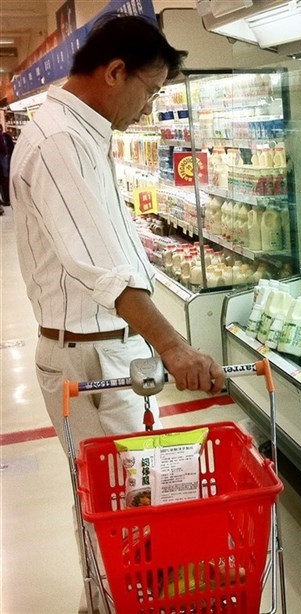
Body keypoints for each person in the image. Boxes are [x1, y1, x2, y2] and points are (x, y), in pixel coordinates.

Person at [10, 14, 226, 456]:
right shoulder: (60, 141)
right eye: (149, 91)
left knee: (131, 499)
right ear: (114, 72)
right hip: (88, 360)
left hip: (104, 349)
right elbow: (105, 269)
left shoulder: (84, 135)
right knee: (124, 502)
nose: (148, 107)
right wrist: (174, 347)